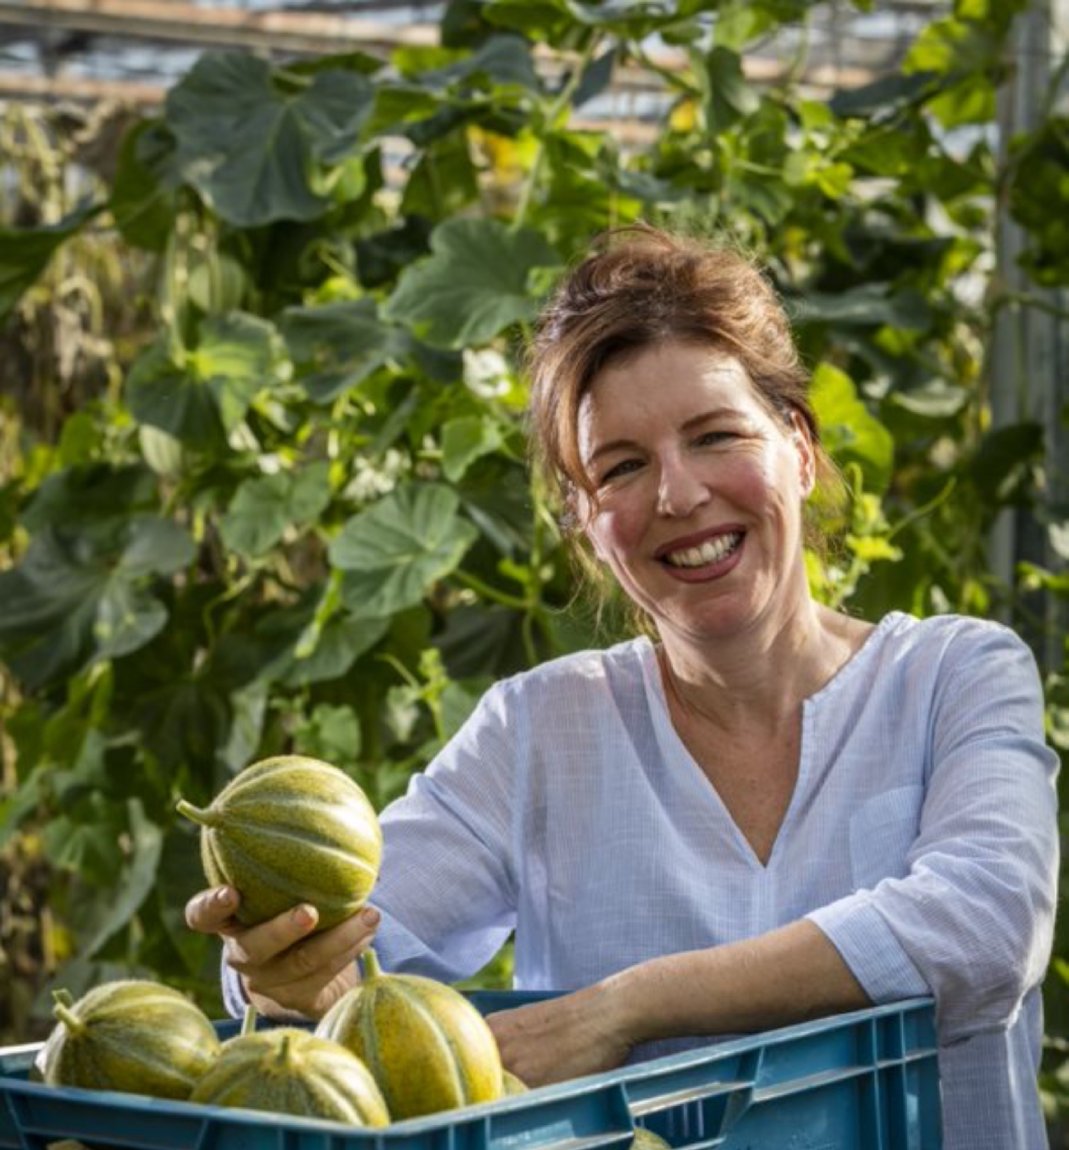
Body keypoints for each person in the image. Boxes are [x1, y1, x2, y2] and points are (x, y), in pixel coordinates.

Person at [185, 224, 1059, 1150]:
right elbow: (361, 932)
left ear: (797, 449)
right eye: (622, 468)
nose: (678, 497)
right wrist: (278, 967)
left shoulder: (953, 675)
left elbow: (984, 922)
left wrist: (624, 1008)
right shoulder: (536, 732)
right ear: (583, 524)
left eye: (714, 435)